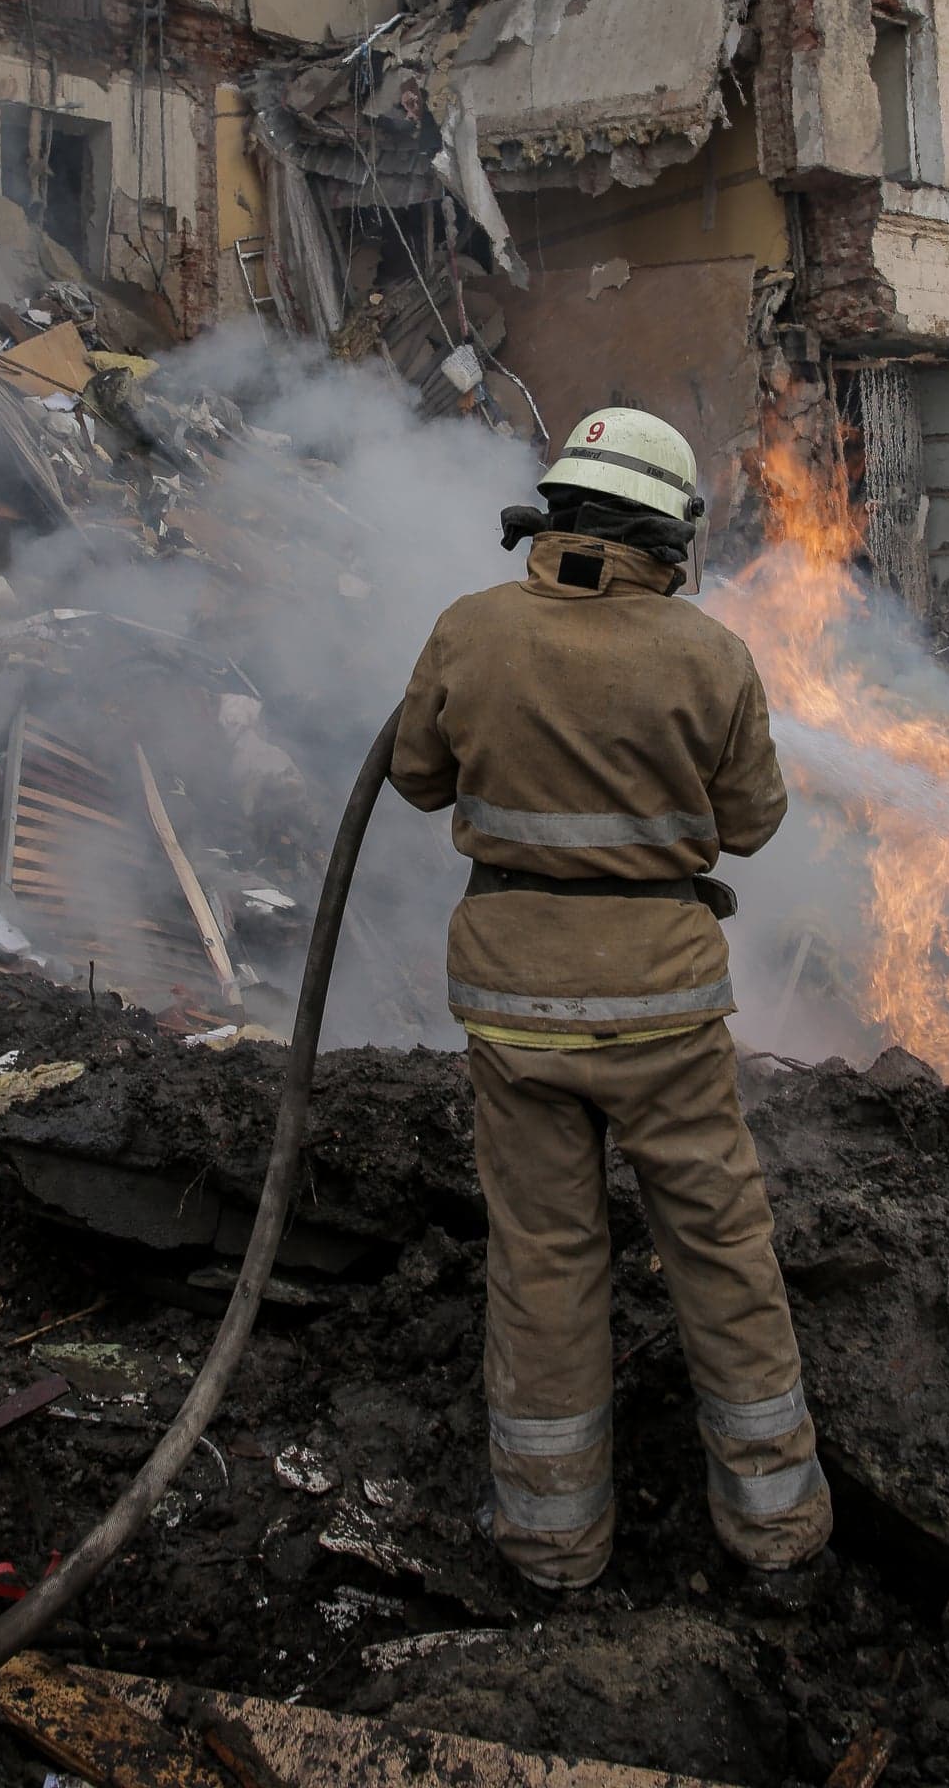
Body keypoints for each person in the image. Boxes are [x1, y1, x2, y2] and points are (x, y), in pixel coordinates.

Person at [390, 406, 831, 1593]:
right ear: (666, 533)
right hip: (666, 1013)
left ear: (556, 511)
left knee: (541, 1260)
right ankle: (777, 1532)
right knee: (723, 1251)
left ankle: (553, 1545)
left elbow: (417, 778)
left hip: (512, 1010)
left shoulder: (469, 630)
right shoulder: (709, 653)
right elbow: (749, 825)